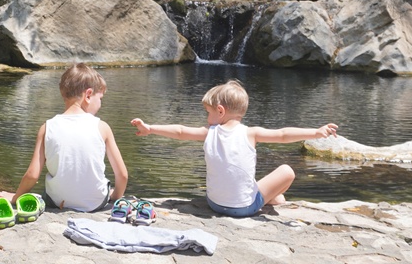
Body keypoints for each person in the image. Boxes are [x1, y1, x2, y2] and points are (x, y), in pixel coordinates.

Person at [130, 79, 338, 218]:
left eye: (208, 112)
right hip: (244, 208)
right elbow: (283, 134)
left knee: (254, 183)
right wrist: (316, 132)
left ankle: (271, 197)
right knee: (287, 171)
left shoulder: (208, 132)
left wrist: (150, 128)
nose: (207, 117)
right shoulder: (251, 133)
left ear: (220, 111)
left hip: (214, 204)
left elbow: (180, 131)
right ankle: (272, 198)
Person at [0, 63, 128, 212]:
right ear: (88, 95)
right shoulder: (102, 127)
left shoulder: (47, 128)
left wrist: (15, 197)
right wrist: (115, 197)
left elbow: (32, 175)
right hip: (96, 203)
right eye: (100, 98)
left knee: (44, 192)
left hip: (57, 201)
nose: (100, 104)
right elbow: (122, 175)